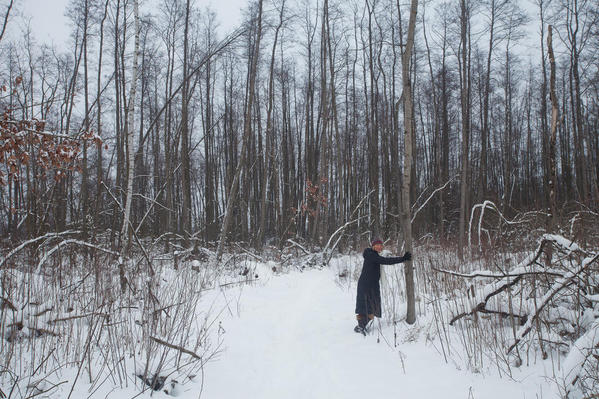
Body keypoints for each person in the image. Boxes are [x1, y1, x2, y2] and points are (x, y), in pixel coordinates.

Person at [354, 238, 412, 334]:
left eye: (381, 245)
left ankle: (362, 325)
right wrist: (402, 259)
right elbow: (385, 261)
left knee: (372, 305)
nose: (379, 246)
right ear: (373, 246)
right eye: (377, 245)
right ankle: (361, 326)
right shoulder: (370, 254)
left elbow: (383, 260)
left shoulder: (374, 254)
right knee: (365, 305)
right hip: (366, 285)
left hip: (372, 285)